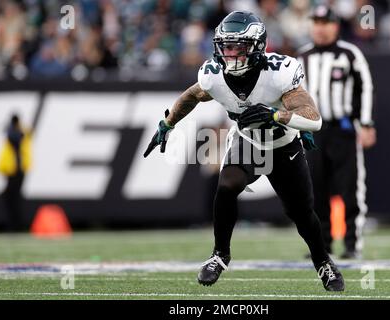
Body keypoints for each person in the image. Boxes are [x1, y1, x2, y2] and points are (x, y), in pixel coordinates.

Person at [144, 11, 345, 291]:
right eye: (226, 47)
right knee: (227, 185)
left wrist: (275, 115)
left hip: (283, 145)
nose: (231, 54)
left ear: (257, 46)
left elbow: (314, 118)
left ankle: (323, 262)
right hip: (248, 143)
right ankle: (219, 255)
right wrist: (167, 123)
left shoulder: (278, 72)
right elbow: (192, 96)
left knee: (302, 214)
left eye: (238, 47)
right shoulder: (214, 76)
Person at [297, 6, 376, 259]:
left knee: (350, 189)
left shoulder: (349, 54)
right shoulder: (302, 56)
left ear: (335, 26)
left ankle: (353, 244)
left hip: (343, 129)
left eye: (325, 22)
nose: (320, 27)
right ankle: (323, 244)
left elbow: (366, 88)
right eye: (316, 22)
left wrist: (366, 123)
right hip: (313, 132)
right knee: (315, 191)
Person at [0, 114, 31, 231]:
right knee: (11, 198)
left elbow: (14, 137)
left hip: (16, 171)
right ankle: (14, 225)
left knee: (13, 198)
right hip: (13, 170)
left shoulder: (19, 133)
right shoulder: (19, 131)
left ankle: (15, 225)